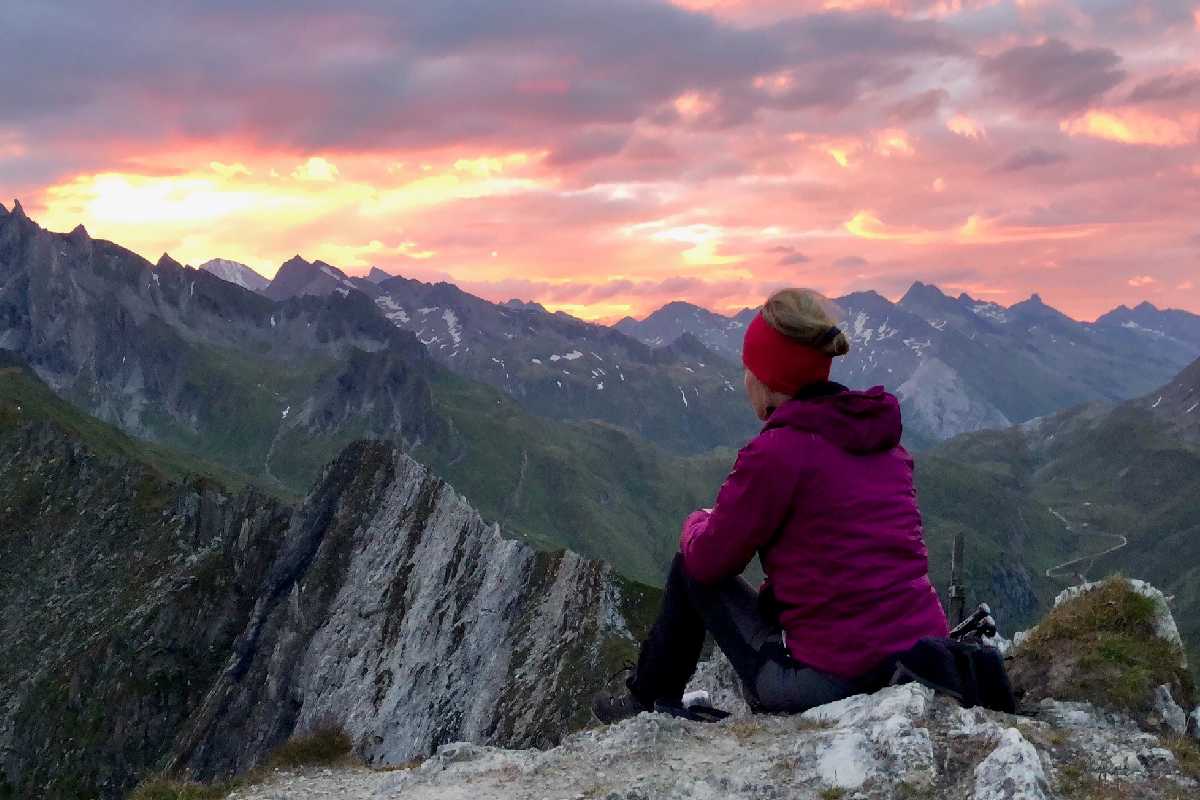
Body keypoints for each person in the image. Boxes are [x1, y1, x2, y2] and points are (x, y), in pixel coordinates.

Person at [593, 288, 949, 722]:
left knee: (689, 567)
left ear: (769, 381)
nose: (745, 380)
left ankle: (646, 701)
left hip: (831, 682)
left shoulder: (778, 454)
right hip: (919, 661)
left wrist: (696, 522)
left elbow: (708, 562)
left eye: (749, 369)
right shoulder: (881, 441)